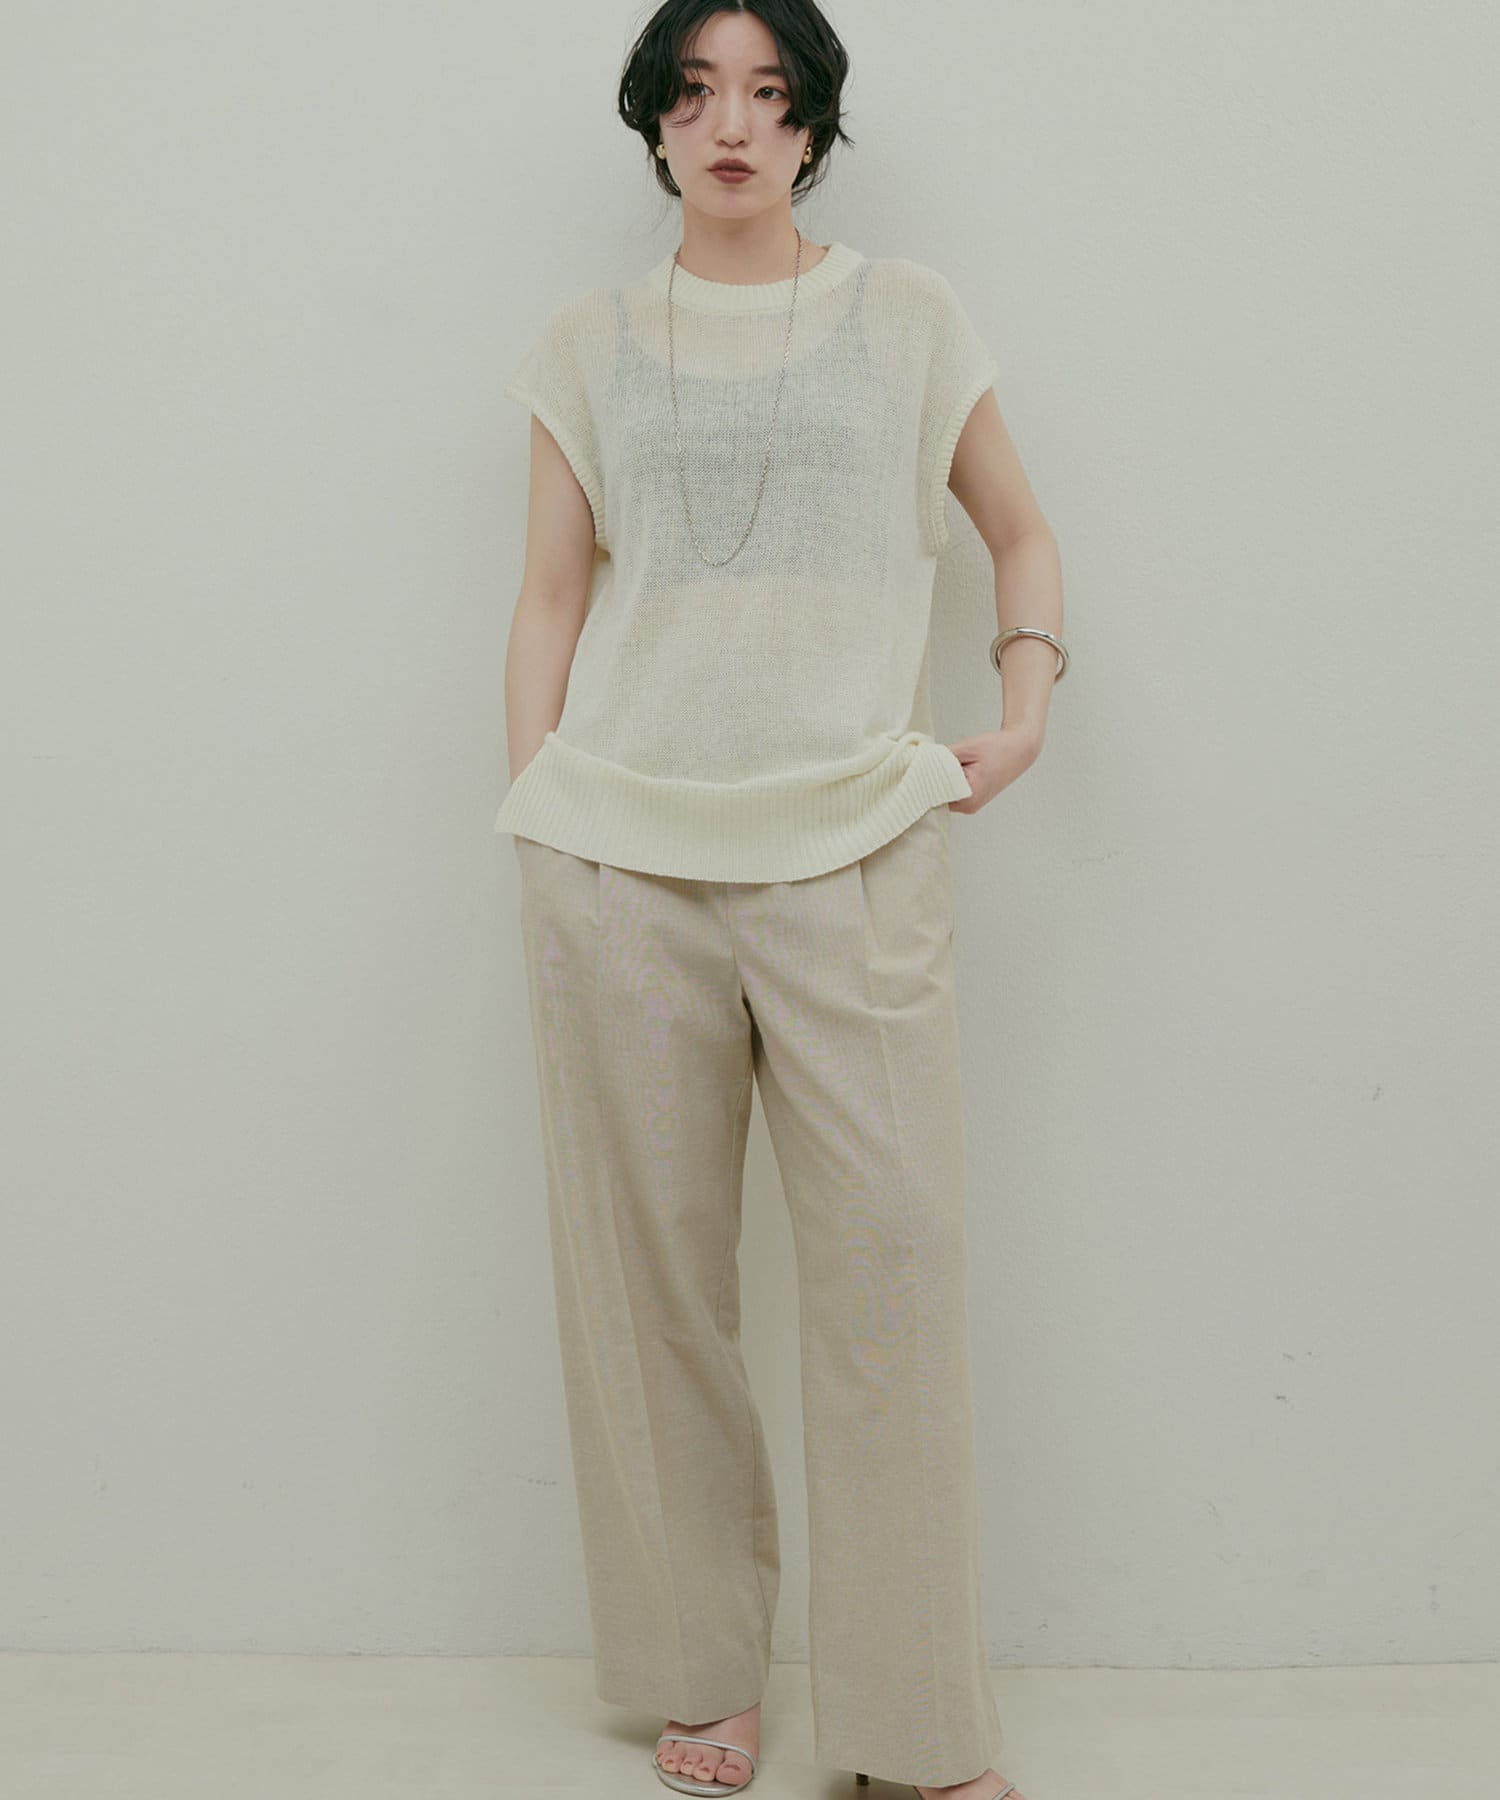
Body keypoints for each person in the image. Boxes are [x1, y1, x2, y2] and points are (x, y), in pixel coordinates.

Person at [496, 5, 1066, 1798]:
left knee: (894, 1278)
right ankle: (701, 1673)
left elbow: (1021, 531)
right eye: (693, 95)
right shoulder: (587, 344)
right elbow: (548, 597)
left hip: (857, 847)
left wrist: (1025, 706)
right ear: (655, 129)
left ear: (813, 127)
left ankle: (912, 1727)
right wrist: (539, 808)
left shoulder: (909, 316)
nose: (730, 123)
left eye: (767, 94)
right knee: (652, 1292)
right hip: (622, 866)